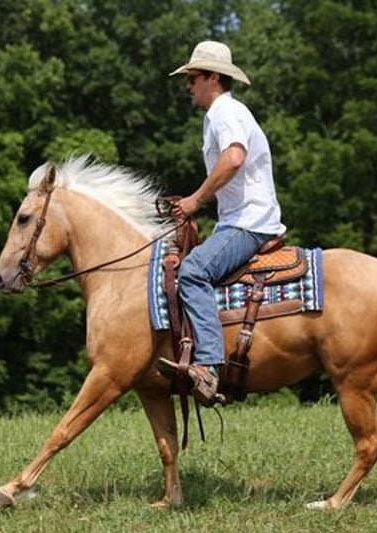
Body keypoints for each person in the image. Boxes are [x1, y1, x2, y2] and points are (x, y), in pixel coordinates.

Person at [156, 40, 287, 406]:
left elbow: (233, 158)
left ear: (213, 77)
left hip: (249, 223)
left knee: (193, 271)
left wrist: (195, 200)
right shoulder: (224, 114)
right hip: (239, 220)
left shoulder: (224, 112)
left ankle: (208, 366)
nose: (188, 86)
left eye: (193, 77)